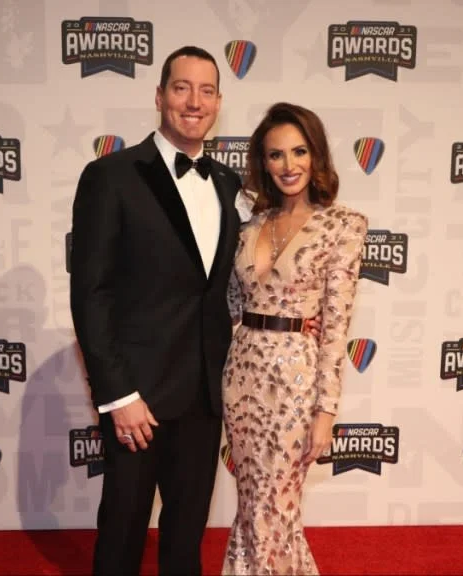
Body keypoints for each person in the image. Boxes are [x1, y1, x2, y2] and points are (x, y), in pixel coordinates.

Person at [69, 47, 319, 576]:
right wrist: (118, 395)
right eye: (181, 88)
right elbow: (91, 293)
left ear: (218, 103)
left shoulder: (231, 186)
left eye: (206, 91)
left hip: (207, 395)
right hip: (138, 399)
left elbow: (250, 277)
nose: (193, 102)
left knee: (186, 539)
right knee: (123, 533)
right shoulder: (111, 176)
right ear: (160, 96)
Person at [221, 102, 368, 575]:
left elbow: (336, 325)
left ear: (316, 155)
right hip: (242, 375)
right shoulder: (249, 226)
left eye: (299, 151)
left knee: (277, 503)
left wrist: (326, 410)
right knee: (252, 503)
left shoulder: (343, 225)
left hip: (296, 379)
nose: (289, 165)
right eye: (276, 154)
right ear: (263, 163)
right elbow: (229, 305)